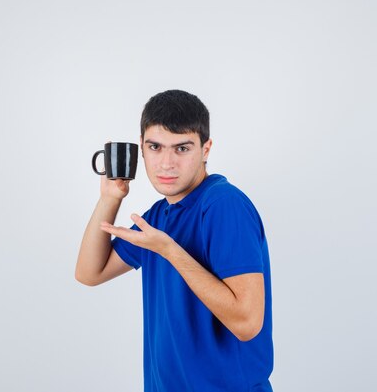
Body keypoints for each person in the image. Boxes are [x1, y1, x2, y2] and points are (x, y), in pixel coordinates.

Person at [75, 90, 274, 392]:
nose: (166, 163)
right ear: (141, 148)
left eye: (182, 148)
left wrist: (170, 251)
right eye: (155, 147)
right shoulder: (159, 216)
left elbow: (247, 323)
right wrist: (110, 197)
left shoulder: (223, 205)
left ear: (205, 149)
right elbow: (90, 273)